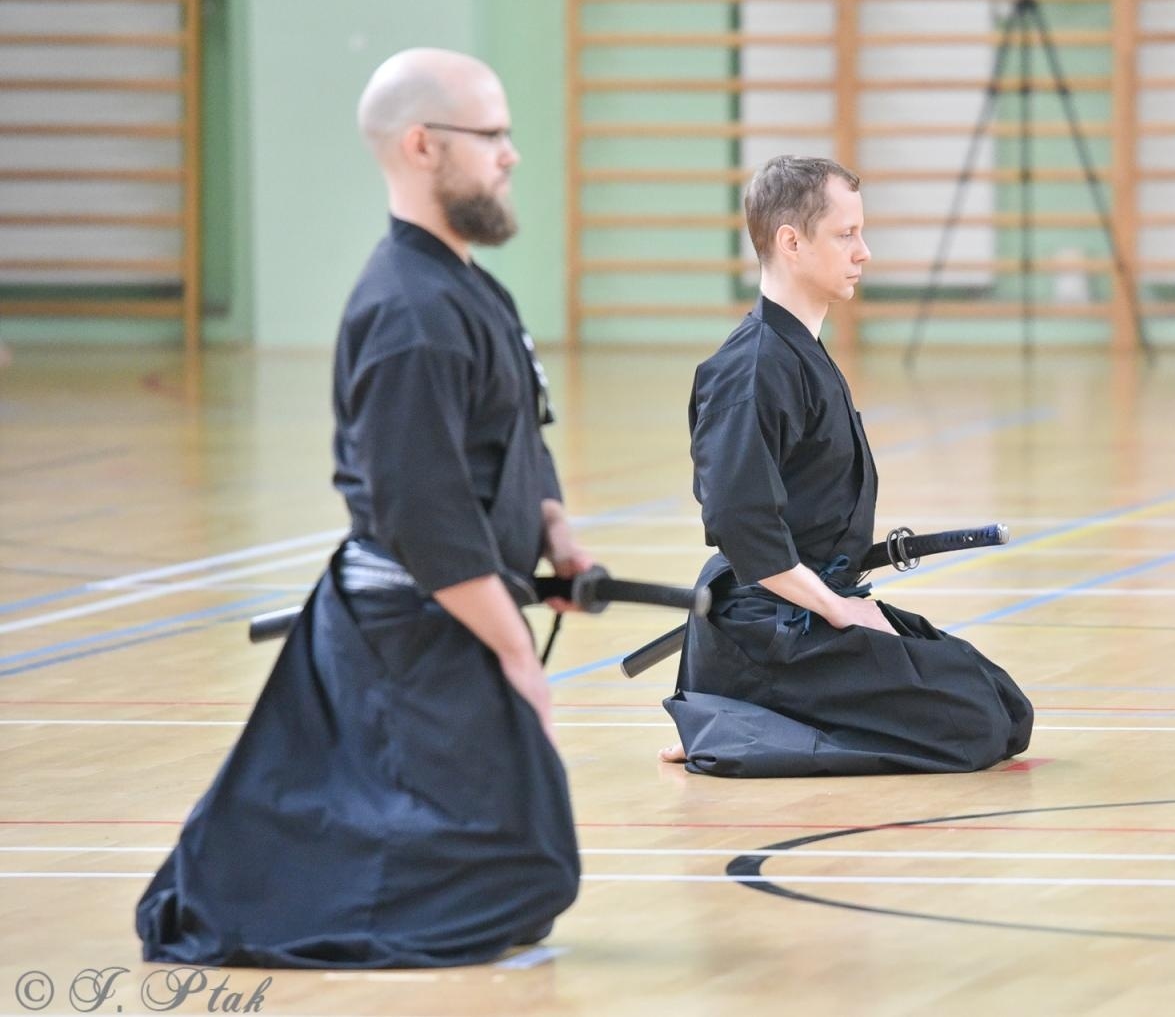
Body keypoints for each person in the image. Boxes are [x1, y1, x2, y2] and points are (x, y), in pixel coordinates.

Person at [137, 48, 586, 967]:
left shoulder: (470, 288)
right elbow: (425, 517)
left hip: (454, 608)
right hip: (406, 628)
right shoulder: (409, 314)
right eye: (491, 135)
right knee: (521, 869)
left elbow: (519, 435)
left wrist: (557, 536)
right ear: (423, 146)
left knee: (526, 874)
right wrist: (514, 652)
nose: (511, 154)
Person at [659, 155, 1033, 777]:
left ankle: (741, 716)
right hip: (768, 632)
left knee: (1003, 706)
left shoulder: (797, 351)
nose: (864, 252)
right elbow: (739, 521)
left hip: (808, 605)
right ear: (791, 242)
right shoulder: (749, 369)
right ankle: (740, 718)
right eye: (846, 234)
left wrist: (845, 602)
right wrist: (838, 610)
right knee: (975, 724)